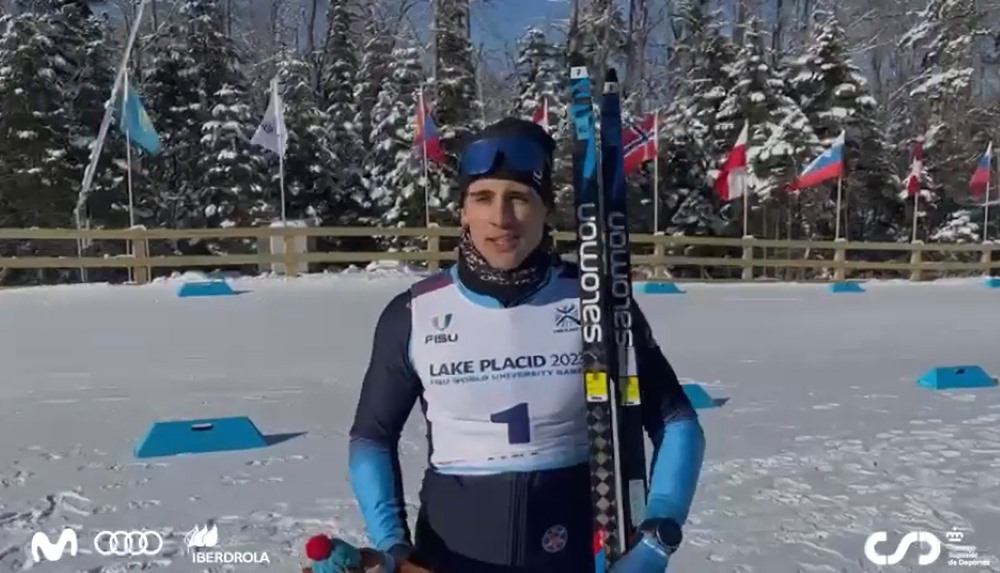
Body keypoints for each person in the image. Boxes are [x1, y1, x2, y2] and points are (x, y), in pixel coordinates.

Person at [306, 118, 706, 573]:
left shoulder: (597, 300)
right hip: (449, 558)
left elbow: (677, 422)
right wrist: (393, 545)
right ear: (462, 211)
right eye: (482, 197)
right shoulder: (413, 313)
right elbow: (372, 439)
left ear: (545, 210)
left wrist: (658, 538)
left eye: (519, 198)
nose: (501, 217)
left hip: (579, 555)